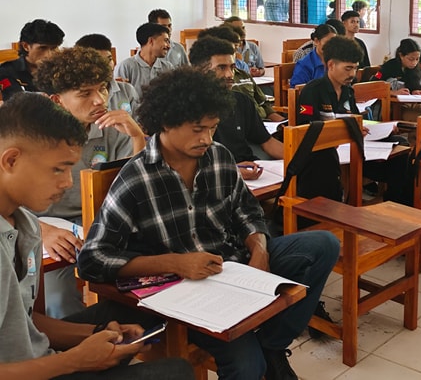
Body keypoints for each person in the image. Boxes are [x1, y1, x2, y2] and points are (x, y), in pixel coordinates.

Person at [77, 68, 340, 380]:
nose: (207, 139)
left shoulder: (218, 156)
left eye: (213, 128)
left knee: (324, 245)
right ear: (164, 122)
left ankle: (273, 345)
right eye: (197, 129)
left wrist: (259, 249)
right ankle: (261, 353)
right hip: (185, 294)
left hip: (232, 267)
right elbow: (93, 259)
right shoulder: (136, 180)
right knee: (246, 366)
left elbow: (248, 212)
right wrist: (175, 263)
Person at [0, 93, 193, 379]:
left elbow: (23, 323)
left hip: (34, 357)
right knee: (176, 372)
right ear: (11, 160)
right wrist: (75, 361)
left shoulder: (25, 222)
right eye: (57, 168)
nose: (67, 182)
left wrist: (97, 335)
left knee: (134, 310)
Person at [298, 37, 421, 258]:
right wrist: (344, 129)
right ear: (330, 65)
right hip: (327, 157)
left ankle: (401, 229)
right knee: (396, 168)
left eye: (355, 68)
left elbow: (357, 119)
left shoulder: (347, 91)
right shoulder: (313, 90)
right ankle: (390, 229)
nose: (352, 74)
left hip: (356, 151)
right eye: (348, 68)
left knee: (403, 161)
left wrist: (378, 129)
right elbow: (305, 131)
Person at [33, 47, 146, 319]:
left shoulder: (113, 128)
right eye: (85, 93)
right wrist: (41, 230)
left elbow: (135, 190)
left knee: (145, 283)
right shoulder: (33, 135)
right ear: (57, 100)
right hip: (48, 227)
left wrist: (138, 138)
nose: (100, 100)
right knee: (60, 303)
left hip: (101, 224)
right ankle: (74, 349)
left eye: (103, 89)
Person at [188, 37, 283, 171]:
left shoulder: (241, 101)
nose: (229, 74)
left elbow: (267, 142)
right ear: (200, 70)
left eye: (232, 67)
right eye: (221, 68)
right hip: (216, 174)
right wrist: (233, 170)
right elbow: (189, 162)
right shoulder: (187, 107)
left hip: (250, 169)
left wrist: (298, 158)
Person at [198, 27, 284, 122]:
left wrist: (283, 123)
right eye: (230, 50)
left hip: (265, 124)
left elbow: (265, 104)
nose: (234, 54)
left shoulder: (243, 74)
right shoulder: (213, 86)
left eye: (235, 50)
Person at [74, 34, 140, 115]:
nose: (108, 66)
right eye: (100, 62)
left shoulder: (127, 90)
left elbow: (139, 123)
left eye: (109, 59)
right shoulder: (77, 96)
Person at [0, 19, 64, 100]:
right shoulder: (6, 71)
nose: (49, 55)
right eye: (42, 48)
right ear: (26, 46)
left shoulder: (61, 70)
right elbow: (14, 100)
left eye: (53, 49)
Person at [115, 23, 176, 97]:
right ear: (151, 41)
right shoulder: (125, 67)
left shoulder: (168, 67)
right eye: (166, 41)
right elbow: (120, 98)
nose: (169, 46)